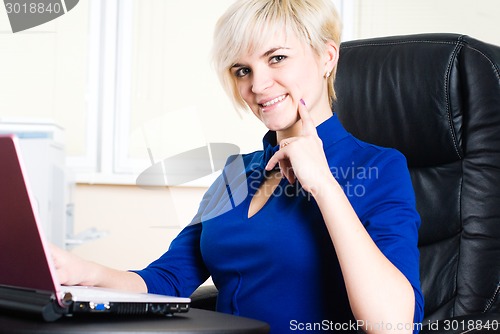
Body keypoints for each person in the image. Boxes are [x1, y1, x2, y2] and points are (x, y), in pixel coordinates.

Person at [51, 0, 424, 332]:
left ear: (327, 57)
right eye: (242, 69)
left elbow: (392, 324)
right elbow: (167, 278)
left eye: (276, 58)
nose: (258, 85)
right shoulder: (236, 173)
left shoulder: (377, 167)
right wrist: (82, 271)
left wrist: (323, 184)